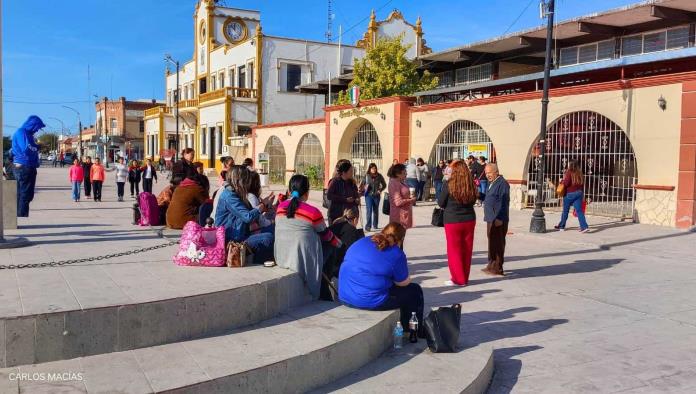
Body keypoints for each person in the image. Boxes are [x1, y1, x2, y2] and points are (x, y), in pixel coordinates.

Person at [339, 223, 424, 336]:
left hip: (345, 296)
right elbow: (403, 283)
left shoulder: (362, 241)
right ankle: (412, 330)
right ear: (401, 239)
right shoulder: (396, 253)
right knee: (415, 291)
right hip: (368, 301)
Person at [275, 174, 342, 299]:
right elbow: (326, 235)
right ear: (307, 193)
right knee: (333, 245)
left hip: (282, 256)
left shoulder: (280, 207)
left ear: (289, 191)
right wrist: (339, 244)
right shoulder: (312, 212)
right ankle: (325, 286)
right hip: (301, 260)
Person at [215, 165, 274, 264]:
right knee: (268, 238)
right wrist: (261, 207)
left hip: (240, 234)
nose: (248, 183)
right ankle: (257, 263)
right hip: (232, 240)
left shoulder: (234, 193)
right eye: (246, 180)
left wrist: (264, 205)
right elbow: (247, 217)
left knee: (273, 228)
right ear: (240, 180)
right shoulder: (229, 196)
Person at [438, 160, 477, 286]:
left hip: (452, 220)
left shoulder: (448, 184)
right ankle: (465, 277)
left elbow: (441, 202)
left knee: (454, 250)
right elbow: (473, 200)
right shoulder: (470, 184)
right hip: (469, 219)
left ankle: (458, 279)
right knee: (467, 249)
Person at [11, 116, 45, 217]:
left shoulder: (28, 134)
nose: (37, 130)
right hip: (24, 167)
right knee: (25, 194)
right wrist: (36, 147)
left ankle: (18, 215)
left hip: (27, 167)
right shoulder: (22, 132)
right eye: (37, 127)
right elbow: (26, 148)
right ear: (32, 124)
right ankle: (21, 217)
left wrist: (37, 146)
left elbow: (31, 148)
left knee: (24, 194)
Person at [482, 163, 510, 277]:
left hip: (498, 218)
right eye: (486, 173)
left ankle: (498, 267)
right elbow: (488, 198)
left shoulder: (502, 184)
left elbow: (504, 202)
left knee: (498, 243)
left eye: (490, 173)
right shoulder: (491, 183)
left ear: (496, 172)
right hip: (490, 218)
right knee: (492, 242)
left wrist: (500, 218)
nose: (487, 175)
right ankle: (491, 264)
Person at [326, 207, 364, 280]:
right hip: (339, 267)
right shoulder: (351, 230)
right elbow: (352, 252)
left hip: (328, 263)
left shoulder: (334, 225)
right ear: (356, 219)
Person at [555, 160, 589, 233]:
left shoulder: (569, 172)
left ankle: (561, 226)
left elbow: (566, 183)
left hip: (569, 194)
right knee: (579, 211)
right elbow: (582, 184)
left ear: (570, 165)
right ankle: (584, 227)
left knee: (565, 211)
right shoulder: (580, 172)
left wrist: (561, 181)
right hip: (579, 193)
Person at [387, 163, 416, 230]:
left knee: (401, 237)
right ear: (397, 174)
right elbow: (398, 202)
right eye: (404, 173)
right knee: (397, 238)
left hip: (404, 214)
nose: (406, 174)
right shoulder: (394, 183)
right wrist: (410, 200)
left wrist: (410, 196)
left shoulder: (402, 181)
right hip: (398, 216)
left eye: (406, 172)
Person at [360, 163, 386, 232]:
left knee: (375, 211)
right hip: (368, 195)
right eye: (372, 169)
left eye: (375, 168)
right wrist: (364, 188)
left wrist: (380, 190)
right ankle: (368, 226)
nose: (374, 170)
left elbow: (384, 185)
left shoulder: (379, 176)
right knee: (369, 210)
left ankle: (375, 224)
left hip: (376, 196)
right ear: (369, 169)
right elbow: (362, 184)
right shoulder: (366, 176)